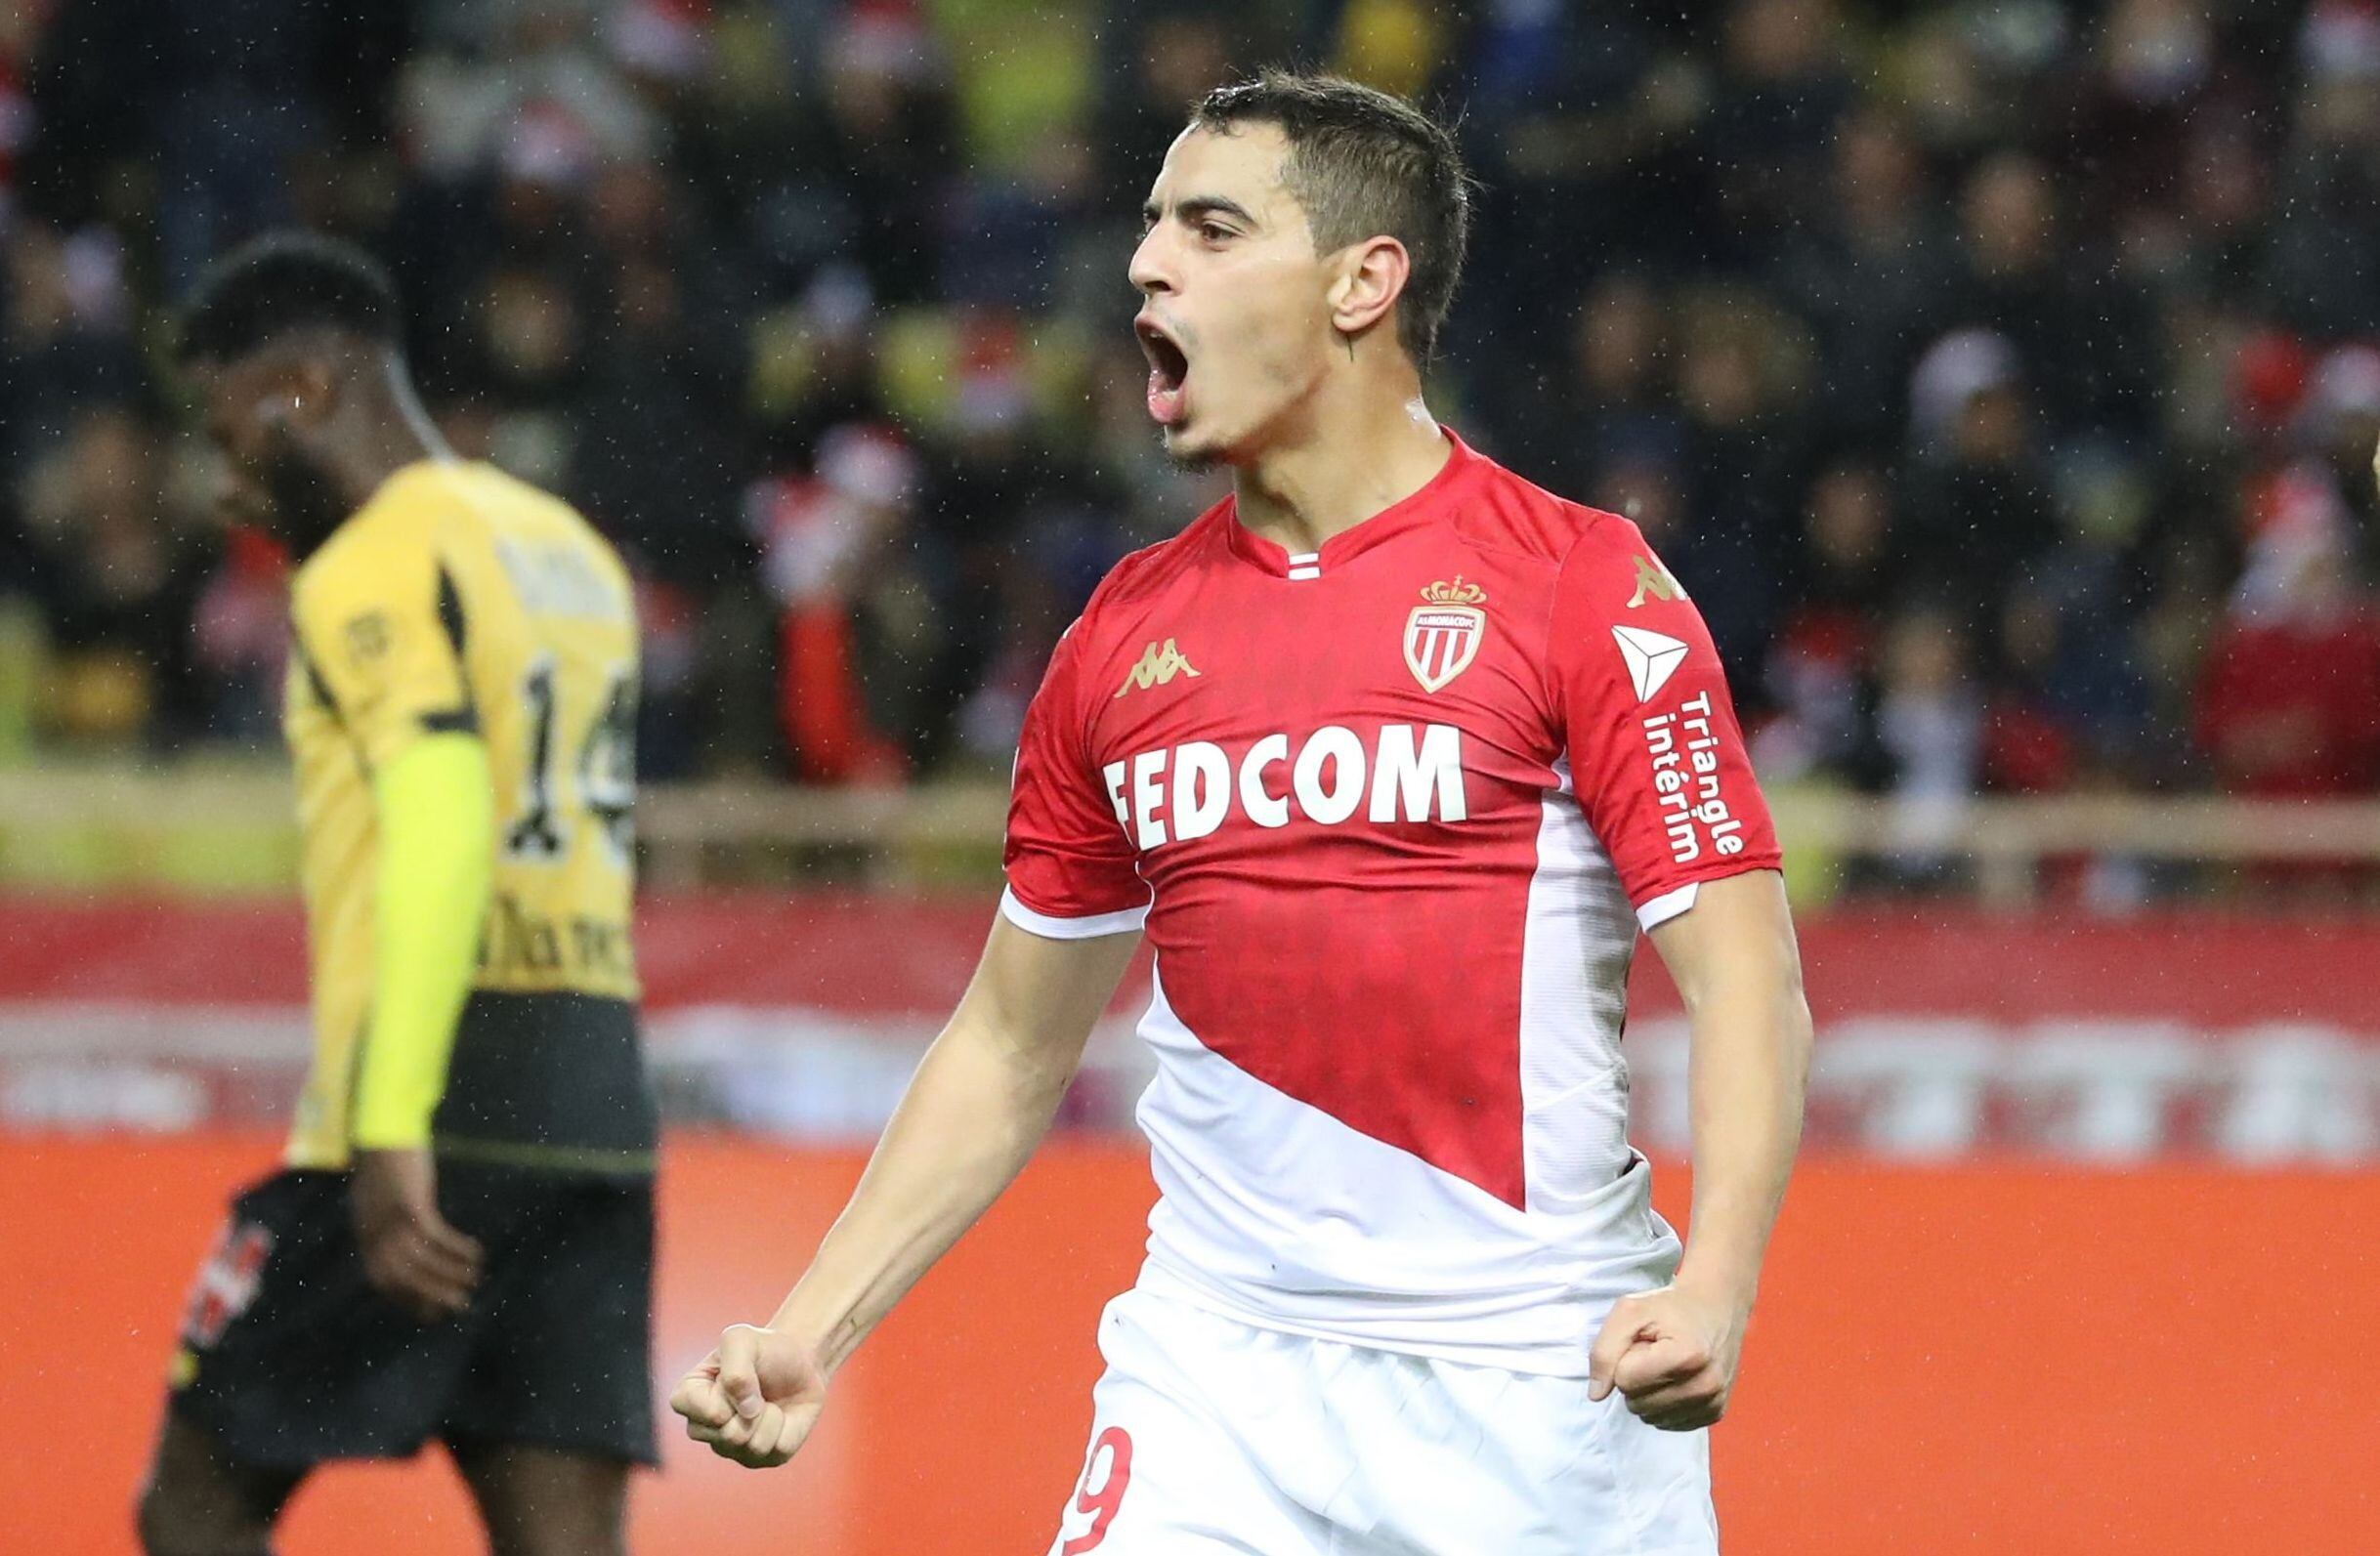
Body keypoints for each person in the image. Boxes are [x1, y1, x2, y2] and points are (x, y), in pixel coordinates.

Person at [674, 73, 1812, 1554]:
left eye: (1211, 228)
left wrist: (1715, 1278)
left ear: (1363, 281)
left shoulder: (1579, 585)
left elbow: (1749, 981)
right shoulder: (1119, 638)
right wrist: (812, 1326)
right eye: (1151, 227)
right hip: (1215, 1377)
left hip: (1543, 1388)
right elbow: (1015, 1039)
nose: (1149, 264)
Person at [140, 234, 657, 1556]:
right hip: (591, 1098)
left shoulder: (368, 563)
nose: (225, 479)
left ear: (306, 388)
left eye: (232, 427)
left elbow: (440, 818)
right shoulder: (569, 551)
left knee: (193, 1508)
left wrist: (389, 1122)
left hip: (422, 1098)